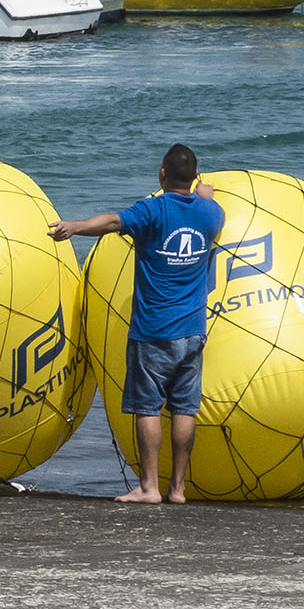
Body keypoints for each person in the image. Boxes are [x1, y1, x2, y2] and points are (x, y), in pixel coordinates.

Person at [49, 143, 224, 504]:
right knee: (184, 408)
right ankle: (177, 489)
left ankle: (149, 487)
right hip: (193, 330)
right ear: (193, 178)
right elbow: (209, 201)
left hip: (154, 331)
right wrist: (206, 194)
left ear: (161, 175)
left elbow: (113, 221)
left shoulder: (153, 210)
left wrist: (74, 227)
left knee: (148, 407)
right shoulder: (210, 214)